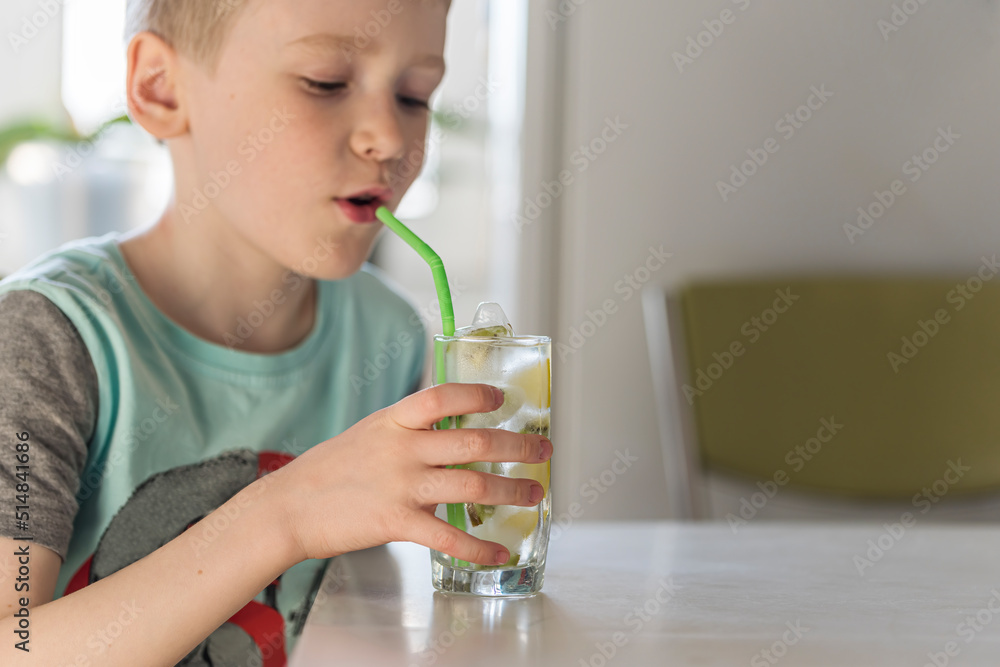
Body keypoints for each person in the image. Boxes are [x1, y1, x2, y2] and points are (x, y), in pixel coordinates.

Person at [0, 0, 552, 664]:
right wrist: (287, 513)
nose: (389, 137)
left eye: (414, 95)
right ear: (161, 87)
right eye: (325, 81)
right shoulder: (43, 339)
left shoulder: (389, 335)